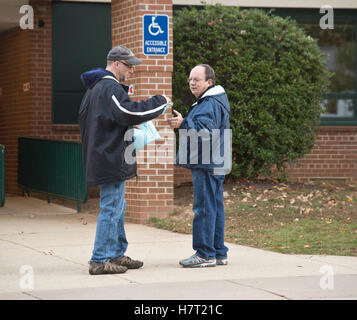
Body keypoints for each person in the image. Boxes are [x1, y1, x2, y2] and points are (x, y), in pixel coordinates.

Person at [79, 45, 170, 275]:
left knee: (118, 206)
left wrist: (126, 123)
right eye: (129, 66)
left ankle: (117, 253)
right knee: (111, 208)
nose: (132, 71)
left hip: (105, 156)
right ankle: (99, 260)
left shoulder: (95, 88)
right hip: (110, 158)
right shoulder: (109, 86)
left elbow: (107, 119)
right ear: (116, 64)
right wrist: (159, 102)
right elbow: (128, 111)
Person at [167, 64, 230, 268]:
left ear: (209, 82)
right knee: (215, 207)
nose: (192, 83)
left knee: (204, 207)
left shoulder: (209, 103)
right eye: (190, 79)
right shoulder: (211, 101)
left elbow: (205, 133)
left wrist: (183, 123)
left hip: (207, 163)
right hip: (215, 161)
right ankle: (218, 252)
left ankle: (204, 254)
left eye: (197, 79)